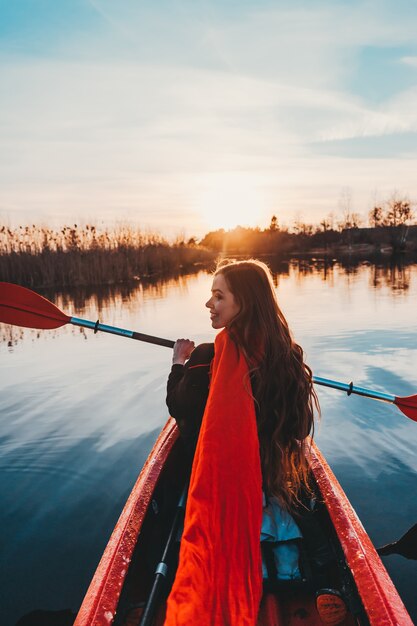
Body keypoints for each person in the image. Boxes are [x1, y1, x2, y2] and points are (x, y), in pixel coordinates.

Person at [165, 259, 347, 626]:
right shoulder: (288, 355)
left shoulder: (205, 357)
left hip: (225, 482)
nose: (208, 304)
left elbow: (178, 406)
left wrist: (178, 364)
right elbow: (299, 429)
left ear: (243, 303)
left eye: (218, 296)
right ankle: (330, 582)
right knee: (304, 502)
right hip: (276, 474)